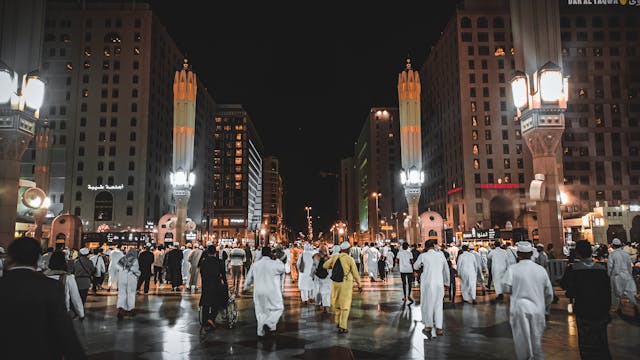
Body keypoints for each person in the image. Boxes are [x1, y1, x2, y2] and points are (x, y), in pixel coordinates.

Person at [0, 237, 86, 359]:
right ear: (37, 259)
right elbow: (65, 332)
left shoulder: (3, 284)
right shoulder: (51, 287)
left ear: (10, 257)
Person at [560, 240, 612, 359]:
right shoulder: (601, 268)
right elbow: (607, 292)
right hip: (601, 311)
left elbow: (564, 285)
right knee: (602, 342)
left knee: (586, 343)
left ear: (577, 253)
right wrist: (607, 311)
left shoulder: (573, 269)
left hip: (583, 311)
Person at [503, 241, 554, 360]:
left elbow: (506, 288)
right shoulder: (540, 270)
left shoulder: (513, 269)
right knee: (536, 341)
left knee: (522, 342)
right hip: (537, 310)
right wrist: (545, 308)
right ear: (531, 253)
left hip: (519, 310)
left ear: (518, 254)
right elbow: (549, 294)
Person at [244, 247, 286, 337]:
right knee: (278, 308)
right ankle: (270, 324)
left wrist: (245, 287)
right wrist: (278, 259)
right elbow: (283, 268)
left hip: (258, 290)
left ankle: (260, 332)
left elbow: (249, 277)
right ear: (270, 253)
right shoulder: (274, 264)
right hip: (272, 290)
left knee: (260, 311)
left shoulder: (256, 264)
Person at [323, 241, 362, 334]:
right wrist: (359, 285)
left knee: (337, 304)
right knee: (345, 306)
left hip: (335, 283)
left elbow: (325, 265)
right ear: (348, 250)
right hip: (345, 284)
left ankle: (337, 322)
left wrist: (333, 265)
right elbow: (356, 274)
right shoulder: (350, 259)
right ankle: (343, 326)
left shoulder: (335, 257)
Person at [413, 240, 450, 336]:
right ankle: (439, 328)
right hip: (439, 283)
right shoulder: (441, 255)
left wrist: (421, 264)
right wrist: (447, 283)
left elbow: (415, 266)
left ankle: (428, 326)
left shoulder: (423, 256)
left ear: (426, 247)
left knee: (428, 304)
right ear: (434, 246)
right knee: (438, 305)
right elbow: (446, 270)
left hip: (428, 284)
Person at [45, 250, 85, 319]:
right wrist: (81, 314)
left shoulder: (43, 276)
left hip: (45, 313)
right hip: (62, 313)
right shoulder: (68, 278)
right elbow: (76, 298)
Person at [199, 246, 229, 330]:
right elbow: (223, 275)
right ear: (215, 253)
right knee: (215, 303)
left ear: (207, 252)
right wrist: (226, 285)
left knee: (205, 303)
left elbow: (202, 273)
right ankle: (211, 318)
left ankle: (205, 321)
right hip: (216, 285)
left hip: (206, 285)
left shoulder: (203, 262)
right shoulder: (219, 262)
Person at [608, 238, 639, 317]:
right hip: (627, 275)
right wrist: (629, 274)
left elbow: (610, 267)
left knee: (617, 294)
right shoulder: (626, 254)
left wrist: (609, 275)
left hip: (617, 276)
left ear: (613, 245)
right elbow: (629, 265)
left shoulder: (612, 254)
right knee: (630, 292)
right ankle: (635, 305)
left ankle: (618, 308)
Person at [116, 249, 141, 318]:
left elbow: (117, 267)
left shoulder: (122, 259)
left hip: (121, 278)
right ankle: (130, 309)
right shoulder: (135, 260)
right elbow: (136, 270)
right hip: (130, 279)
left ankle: (121, 309)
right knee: (131, 294)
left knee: (121, 294)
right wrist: (139, 273)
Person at [312, 245, 332, 312]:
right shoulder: (329, 258)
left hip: (317, 276)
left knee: (317, 291)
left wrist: (312, 275)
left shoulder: (315, 257)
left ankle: (318, 303)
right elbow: (330, 269)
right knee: (326, 292)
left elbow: (313, 267)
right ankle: (325, 306)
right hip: (327, 277)